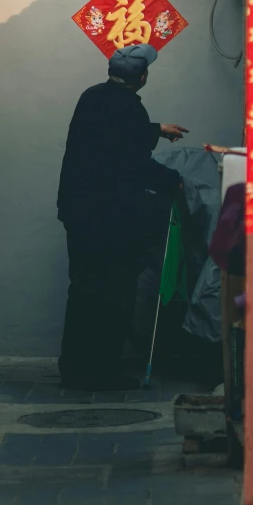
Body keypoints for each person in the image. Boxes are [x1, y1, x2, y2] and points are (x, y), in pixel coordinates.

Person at [57, 44, 189, 391]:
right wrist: (172, 180)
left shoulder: (93, 97)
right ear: (142, 77)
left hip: (79, 213)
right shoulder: (130, 110)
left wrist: (156, 127)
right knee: (115, 292)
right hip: (111, 220)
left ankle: (74, 369)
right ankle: (103, 372)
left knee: (83, 288)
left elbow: (110, 139)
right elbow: (132, 162)